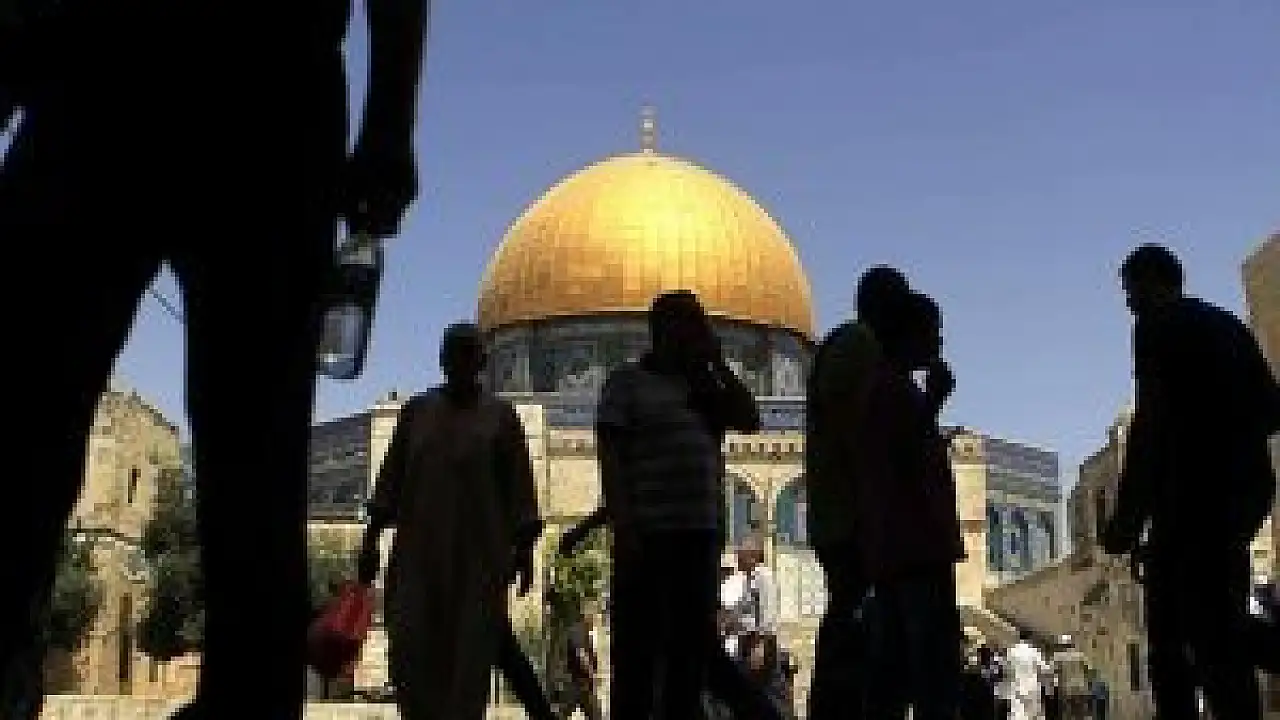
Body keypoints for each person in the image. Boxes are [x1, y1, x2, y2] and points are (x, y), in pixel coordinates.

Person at [0, 0, 429, 716]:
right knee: (28, 406)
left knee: (251, 449)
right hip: (110, 77)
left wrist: (388, 123)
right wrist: (388, 123)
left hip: (247, 87)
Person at [1101, 244, 1278, 720]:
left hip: (1190, 504)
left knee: (1172, 642)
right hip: (1240, 500)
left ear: (1154, 283)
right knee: (1220, 630)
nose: (1129, 303)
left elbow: (1151, 425)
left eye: (1132, 291)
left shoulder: (1158, 324)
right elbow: (1270, 411)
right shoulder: (1230, 326)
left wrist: (1127, 519)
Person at [357, 323, 547, 720]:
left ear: (482, 361)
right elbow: (390, 481)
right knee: (413, 655)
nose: (459, 360)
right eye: (453, 352)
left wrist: (525, 553)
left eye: (468, 352)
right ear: (442, 359)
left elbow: (519, 492)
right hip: (418, 560)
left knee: (468, 665)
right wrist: (371, 540)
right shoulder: (417, 413)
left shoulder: (500, 418)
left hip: (478, 564)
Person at [598, 290, 761, 720]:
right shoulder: (627, 383)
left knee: (690, 658)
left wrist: (718, 365)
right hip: (649, 538)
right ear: (664, 331)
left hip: (698, 538)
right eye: (691, 327)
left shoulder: (703, 389)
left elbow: (749, 419)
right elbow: (610, 457)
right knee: (638, 655)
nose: (697, 336)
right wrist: (624, 529)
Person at [804, 266, 913, 720]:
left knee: (853, 625)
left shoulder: (851, 343)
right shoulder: (860, 343)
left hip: (842, 511)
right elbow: (854, 427)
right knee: (853, 628)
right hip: (852, 515)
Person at [853, 291, 964, 719]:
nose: (939, 341)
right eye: (932, 331)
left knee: (894, 671)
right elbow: (900, 460)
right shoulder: (891, 391)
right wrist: (933, 403)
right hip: (915, 550)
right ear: (906, 336)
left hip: (901, 550)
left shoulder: (889, 388)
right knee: (932, 673)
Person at [1004, 632, 1050, 720]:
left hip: (1017, 685)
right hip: (1032, 685)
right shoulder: (1034, 651)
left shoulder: (1012, 651)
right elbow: (1044, 668)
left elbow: (1007, 669)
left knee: (1018, 710)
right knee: (1033, 712)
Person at [1050, 635, 1092, 720]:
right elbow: (1088, 670)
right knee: (1081, 712)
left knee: (1068, 713)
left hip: (1067, 689)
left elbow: (1054, 672)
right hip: (1081, 688)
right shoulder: (1080, 655)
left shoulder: (1058, 657)